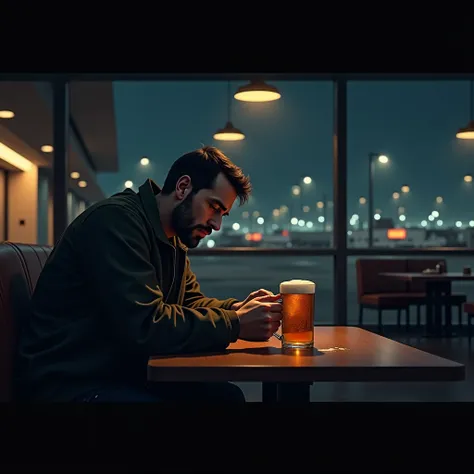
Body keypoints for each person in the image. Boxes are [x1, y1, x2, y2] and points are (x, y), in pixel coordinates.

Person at [15, 146, 282, 403]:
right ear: (182, 187)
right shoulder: (116, 222)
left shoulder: (172, 238)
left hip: (117, 371)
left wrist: (239, 308)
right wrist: (235, 323)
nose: (216, 224)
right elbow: (145, 326)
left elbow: (190, 304)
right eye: (213, 207)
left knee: (227, 396)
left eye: (222, 214)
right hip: (69, 382)